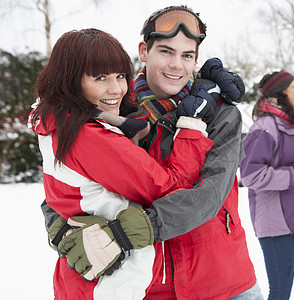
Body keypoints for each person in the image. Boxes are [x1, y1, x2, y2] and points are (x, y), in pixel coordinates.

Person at [43, 5, 262, 300]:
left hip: (222, 284)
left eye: (187, 55)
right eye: (166, 51)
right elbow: (66, 179)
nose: (177, 65)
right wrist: (61, 229)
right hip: (145, 286)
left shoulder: (219, 113)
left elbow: (209, 196)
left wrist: (125, 232)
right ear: (144, 51)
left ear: (196, 59)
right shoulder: (113, 103)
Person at [29, 28, 215, 299]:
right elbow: (170, 188)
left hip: (85, 280)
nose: (115, 89)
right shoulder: (89, 137)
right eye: (100, 78)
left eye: (120, 76)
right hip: (109, 286)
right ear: (71, 81)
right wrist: (191, 129)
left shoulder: (57, 123)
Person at [239, 71, 294, 299]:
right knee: (280, 292)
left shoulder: (285, 124)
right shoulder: (264, 127)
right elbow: (250, 175)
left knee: (285, 288)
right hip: (276, 223)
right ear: (280, 92)